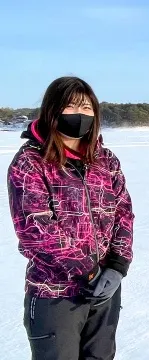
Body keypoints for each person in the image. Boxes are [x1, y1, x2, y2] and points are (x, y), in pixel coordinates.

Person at [7, 76, 135, 360]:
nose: (81, 115)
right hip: (56, 293)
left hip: (105, 291)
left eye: (87, 108)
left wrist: (117, 265)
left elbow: (123, 213)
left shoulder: (106, 160)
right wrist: (88, 272)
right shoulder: (30, 163)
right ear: (53, 110)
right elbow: (36, 230)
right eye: (71, 106)